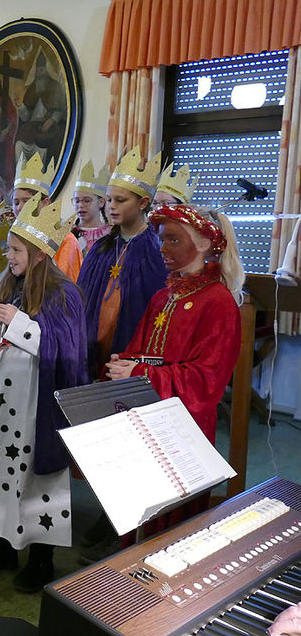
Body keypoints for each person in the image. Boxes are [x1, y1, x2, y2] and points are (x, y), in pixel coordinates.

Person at [0, 193, 88, 593]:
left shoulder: (64, 294)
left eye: (16, 250)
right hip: (3, 403)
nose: (9, 256)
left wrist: (19, 325)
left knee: (35, 481)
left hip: (37, 408)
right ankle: (1, 545)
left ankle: (40, 558)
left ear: (38, 255)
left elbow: (66, 351)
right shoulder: (10, 286)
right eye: (9, 248)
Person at [105, 204, 243, 537]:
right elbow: (141, 350)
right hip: (147, 419)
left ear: (205, 244)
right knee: (141, 505)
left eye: (173, 240)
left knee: (173, 524)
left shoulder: (218, 303)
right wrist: (122, 363)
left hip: (184, 428)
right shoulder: (163, 297)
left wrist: (139, 374)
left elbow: (206, 382)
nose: (162, 249)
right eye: (161, 240)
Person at [76, 147, 167, 379]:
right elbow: (82, 299)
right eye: (108, 200)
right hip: (92, 346)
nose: (111, 206)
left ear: (143, 202)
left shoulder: (156, 250)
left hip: (130, 354)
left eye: (120, 200)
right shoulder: (101, 247)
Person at [9, 152, 83, 281]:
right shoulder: (13, 237)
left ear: (45, 202)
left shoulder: (65, 241)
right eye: (16, 202)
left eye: (27, 201)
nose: (20, 208)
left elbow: (65, 284)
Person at [71, 161, 111, 256]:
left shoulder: (110, 234)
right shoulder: (67, 233)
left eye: (87, 201)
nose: (80, 205)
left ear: (101, 202)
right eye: (77, 201)